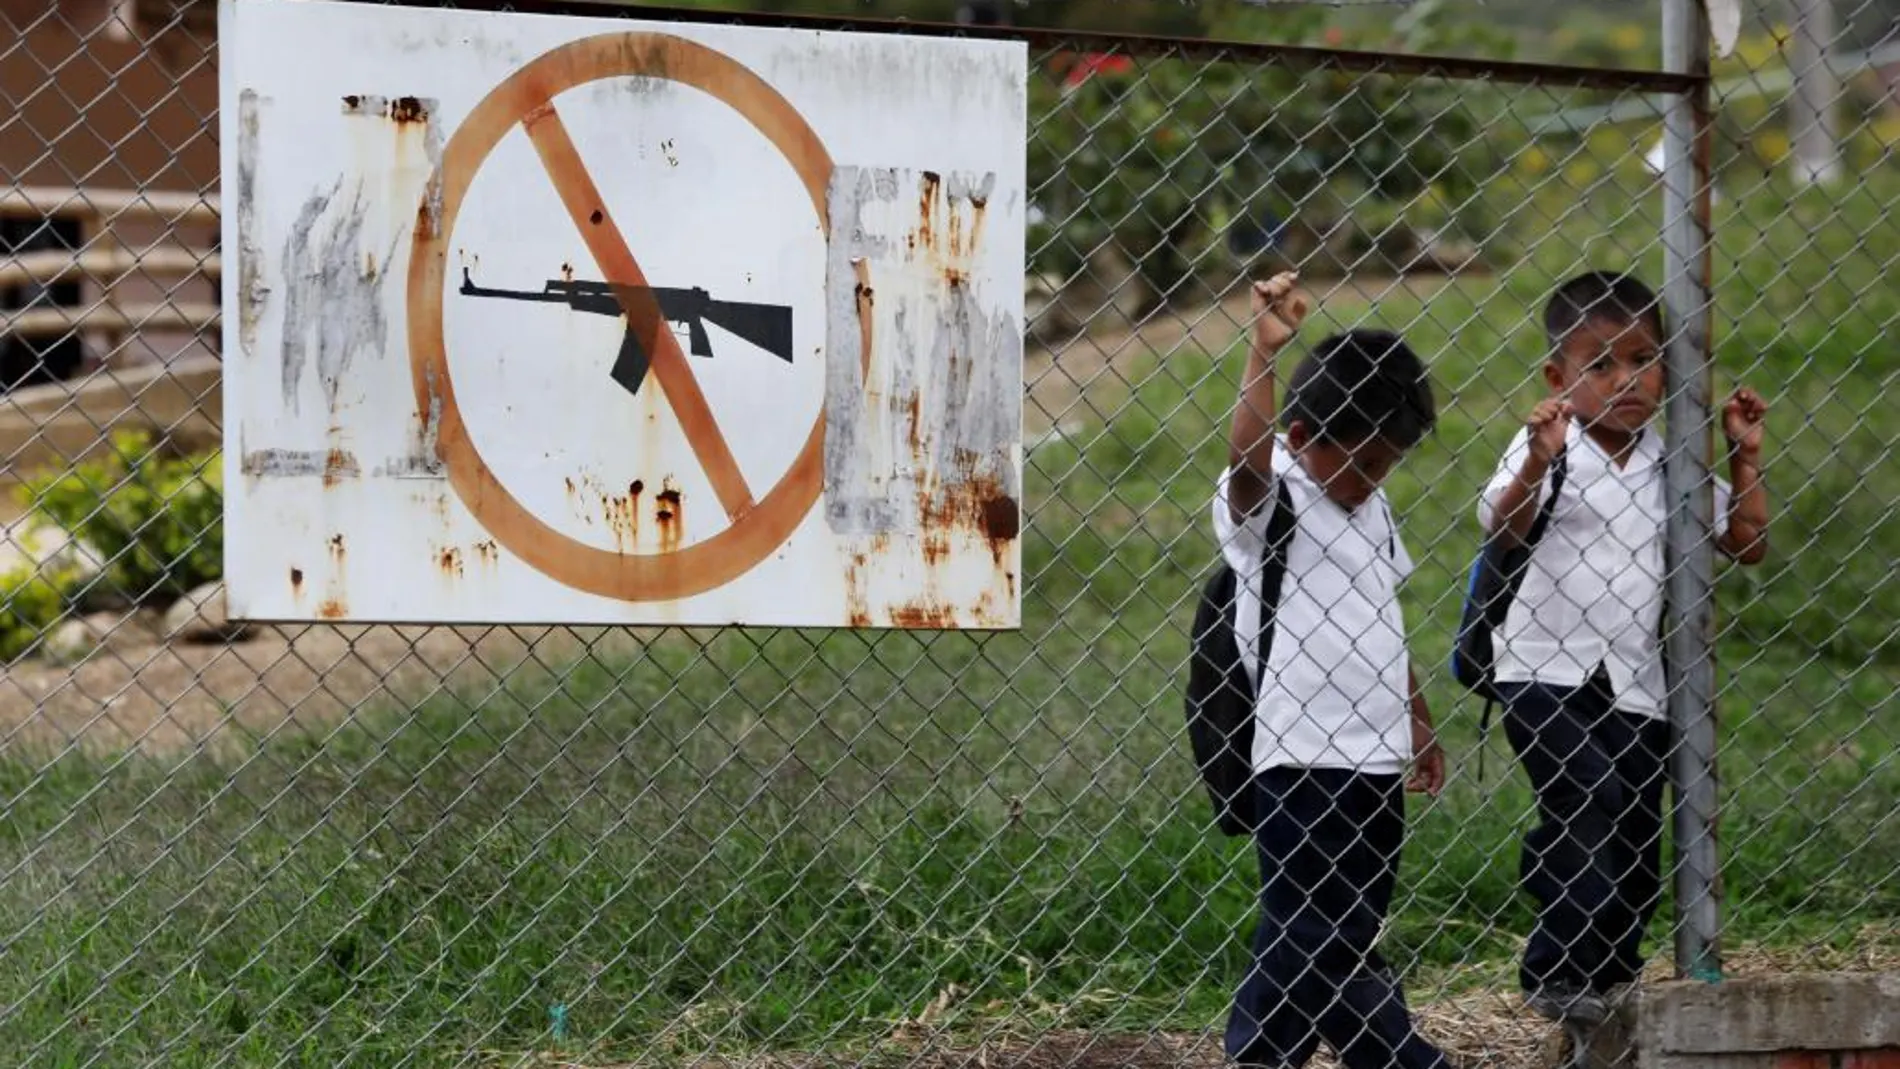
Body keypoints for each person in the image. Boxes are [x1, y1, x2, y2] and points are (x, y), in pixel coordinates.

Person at [1477, 270, 1770, 1025]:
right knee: (1586, 799)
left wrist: (1743, 460)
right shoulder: (1551, 445)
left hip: (1638, 683)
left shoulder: (1671, 460)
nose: (1625, 380)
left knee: (1638, 826)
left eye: (1642, 359)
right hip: (1543, 671)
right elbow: (1502, 526)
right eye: (1599, 364)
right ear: (1558, 376)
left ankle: (1610, 973)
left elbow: (1746, 542)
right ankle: (1556, 965)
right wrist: (1538, 460)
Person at [1215, 271, 1451, 1069]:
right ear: (1305, 432)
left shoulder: (1372, 508)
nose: (1376, 476)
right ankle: (1365, 1056)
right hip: (1301, 753)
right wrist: (1262, 354)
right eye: (1366, 460)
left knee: (1343, 926)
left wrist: (1416, 717)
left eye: (1391, 461)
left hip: (1376, 757)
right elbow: (1245, 455)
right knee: (1312, 923)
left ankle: (1337, 1054)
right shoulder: (1271, 497)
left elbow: (1383, 619)